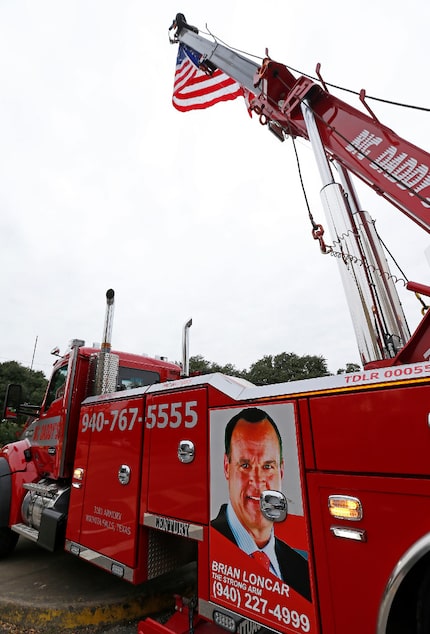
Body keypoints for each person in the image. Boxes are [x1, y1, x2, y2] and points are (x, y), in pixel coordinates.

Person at [211, 407, 311, 602]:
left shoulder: (301, 568)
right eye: (245, 465)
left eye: (267, 466)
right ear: (226, 467)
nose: (257, 482)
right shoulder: (210, 542)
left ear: (281, 471)